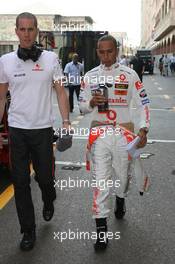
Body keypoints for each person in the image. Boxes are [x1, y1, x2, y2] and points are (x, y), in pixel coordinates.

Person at [0, 12, 70, 251]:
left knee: (44, 178)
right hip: (17, 130)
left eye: (31, 29)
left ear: (37, 30)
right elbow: (1, 97)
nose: (27, 34)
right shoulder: (6, 61)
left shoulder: (51, 59)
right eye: (23, 29)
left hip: (42, 130)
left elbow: (61, 92)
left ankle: (49, 197)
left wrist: (66, 121)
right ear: (16, 31)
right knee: (20, 182)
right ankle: (28, 230)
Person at [79, 35, 150, 250]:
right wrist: (91, 102)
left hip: (124, 134)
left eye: (110, 51)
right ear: (97, 52)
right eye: (101, 52)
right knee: (101, 182)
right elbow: (82, 107)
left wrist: (144, 128)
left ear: (116, 51)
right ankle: (101, 233)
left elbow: (143, 102)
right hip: (99, 135)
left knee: (123, 178)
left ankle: (121, 199)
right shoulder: (90, 76)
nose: (106, 56)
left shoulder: (130, 75)